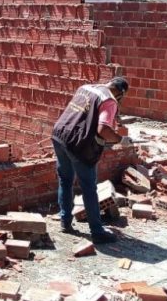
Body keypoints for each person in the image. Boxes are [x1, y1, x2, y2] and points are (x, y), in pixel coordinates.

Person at [51, 77, 129, 244]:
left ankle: (65, 222)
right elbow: (103, 130)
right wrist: (120, 140)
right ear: (120, 93)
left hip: (59, 135)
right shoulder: (109, 100)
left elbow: (82, 115)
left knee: (65, 180)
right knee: (88, 187)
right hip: (77, 145)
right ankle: (97, 231)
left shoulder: (86, 87)